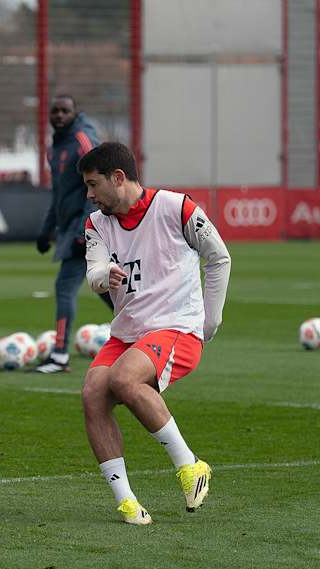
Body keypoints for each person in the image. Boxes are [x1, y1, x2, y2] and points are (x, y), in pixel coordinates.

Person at [78, 142, 231, 525]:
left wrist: (209, 322)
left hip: (176, 327)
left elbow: (219, 257)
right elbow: (94, 272)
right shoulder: (97, 223)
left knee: (123, 378)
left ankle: (190, 466)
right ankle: (127, 501)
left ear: (118, 177)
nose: (90, 195)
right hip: (127, 333)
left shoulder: (177, 208)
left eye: (94, 184)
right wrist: (104, 276)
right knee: (93, 392)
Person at [32, 95, 113, 374]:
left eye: (65, 111)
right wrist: (46, 230)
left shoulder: (82, 140)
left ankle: (59, 356)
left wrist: (85, 229)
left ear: (75, 113)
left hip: (87, 228)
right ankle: (141, 333)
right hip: (73, 228)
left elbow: (98, 183)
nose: (59, 115)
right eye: (55, 110)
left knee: (65, 287)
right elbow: (59, 194)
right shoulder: (55, 147)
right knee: (105, 287)